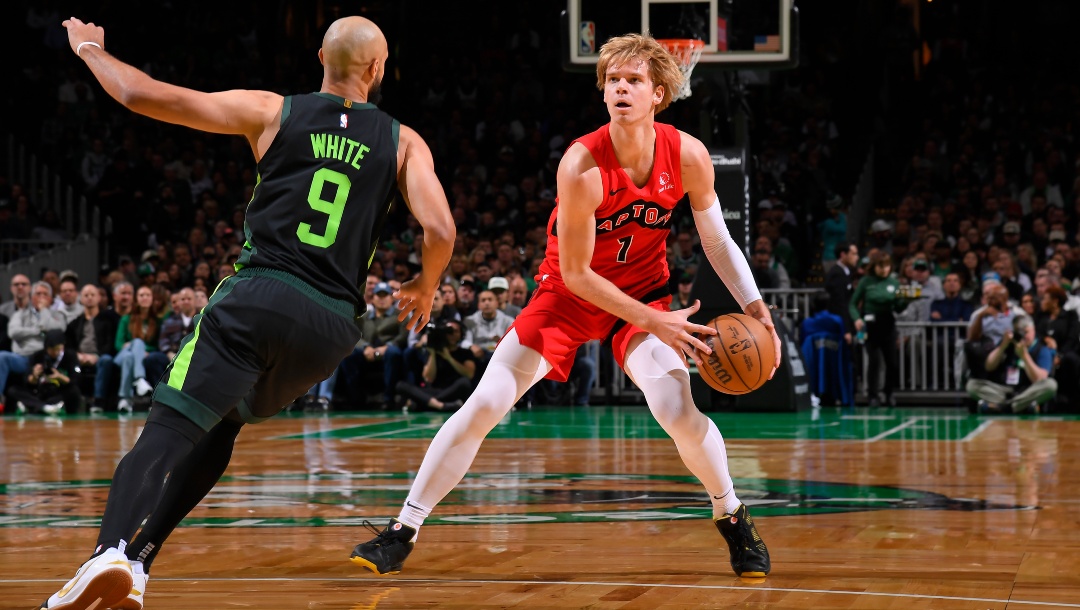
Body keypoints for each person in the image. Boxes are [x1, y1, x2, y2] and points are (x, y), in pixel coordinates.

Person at [43, 15, 454, 610]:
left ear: (320, 56)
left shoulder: (274, 111)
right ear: (377, 69)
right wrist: (425, 283)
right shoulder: (404, 140)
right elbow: (441, 228)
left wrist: (89, 49)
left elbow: (140, 94)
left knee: (169, 427)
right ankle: (140, 562)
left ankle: (108, 552)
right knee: (226, 420)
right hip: (331, 326)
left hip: (259, 296)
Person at [351, 33, 778, 580]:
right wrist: (654, 321)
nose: (621, 89)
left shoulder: (689, 155)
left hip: (645, 295)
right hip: (568, 296)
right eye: (613, 82)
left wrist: (756, 307)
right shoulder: (580, 164)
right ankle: (402, 530)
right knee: (484, 405)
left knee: (678, 412)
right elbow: (577, 273)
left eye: (634, 81)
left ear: (658, 95)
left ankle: (731, 514)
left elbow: (716, 242)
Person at [966, 314, 1057, 413]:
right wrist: (1003, 346)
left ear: (1033, 329)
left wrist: (1024, 356)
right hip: (1002, 390)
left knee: (1051, 385)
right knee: (971, 385)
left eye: (1026, 332)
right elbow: (989, 366)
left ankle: (1005, 407)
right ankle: (1021, 407)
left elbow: (1039, 379)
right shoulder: (1008, 344)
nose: (1023, 336)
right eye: (1020, 333)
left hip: (1026, 391)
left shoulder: (1042, 349)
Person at [849, 251, 905, 406]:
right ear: (874, 267)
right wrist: (857, 319)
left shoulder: (894, 282)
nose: (884, 269)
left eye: (887, 266)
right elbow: (853, 304)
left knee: (892, 362)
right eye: (881, 266)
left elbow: (898, 308)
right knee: (874, 361)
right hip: (870, 325)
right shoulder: (866, 281)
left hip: (888, 323)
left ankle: (889, 393)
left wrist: (906, 301)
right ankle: (873, 396)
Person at [65, 283, 120, 413]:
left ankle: (99, 401)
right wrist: (78, 356)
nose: (89, 298)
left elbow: (110, 344)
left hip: (100, 357)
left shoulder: (108, 321)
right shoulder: (75, 323)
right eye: (86, 295)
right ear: (81, 299)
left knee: (106, 360)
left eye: (92, 295)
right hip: (80, 357)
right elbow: (69, 346)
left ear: (99, 298)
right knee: (68, 359)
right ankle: (70, 401)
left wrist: (96, 357)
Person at [8, 329, 79, 415]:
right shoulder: (37, 356)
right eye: (52, 349)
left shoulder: (70, 355)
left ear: (63, 345)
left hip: (58, 392)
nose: (55, 352)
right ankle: (45, 407)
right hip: (40, 392)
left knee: (74, 391)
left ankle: (34, 406)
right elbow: (28, 382)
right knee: (13, 390)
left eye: (58, 349)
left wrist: (60, 377)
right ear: (46, 347)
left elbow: (75, 380)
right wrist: (34, 376)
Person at [824, 242, 858, 343]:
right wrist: (846, 330)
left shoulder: (848, 272)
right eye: (853, 254)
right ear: (843, 254)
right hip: (840, 327)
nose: (857, 257)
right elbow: (840, 303)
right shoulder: (836, 274)